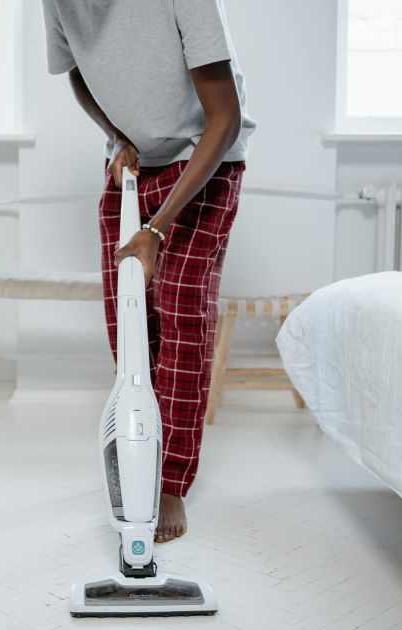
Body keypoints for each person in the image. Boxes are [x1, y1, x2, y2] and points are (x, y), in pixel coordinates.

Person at [42, 0, 256, 542]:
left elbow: (224, 119)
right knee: (129, 322)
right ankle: (140, 450)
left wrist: (156, 230)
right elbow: (75, 73)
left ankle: (171, 483)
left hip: (205, 160)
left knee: (181, 317)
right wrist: (118, 134)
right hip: (136, 164)